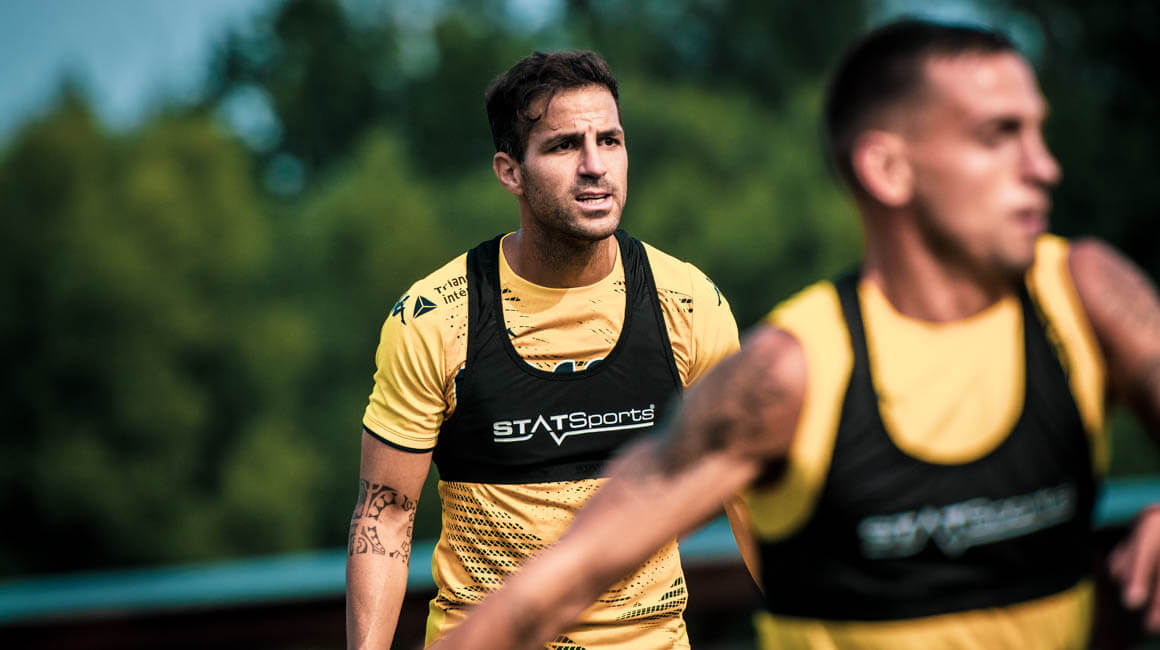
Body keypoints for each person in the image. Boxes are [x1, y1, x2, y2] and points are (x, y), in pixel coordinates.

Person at [431, 19, 1160, 650]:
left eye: (1036, 131)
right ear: (887, 167)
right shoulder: (786, 375)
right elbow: (543, 596)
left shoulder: (1086, 295)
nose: (1043, 167)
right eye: (998, 136)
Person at [345, 50, 739, 649]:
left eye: (610, 141)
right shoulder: (435, 317)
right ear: (510, 172)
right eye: (563, 146)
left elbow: (748, 490)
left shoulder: (686, 302)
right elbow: (388, 516)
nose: (595, 166)